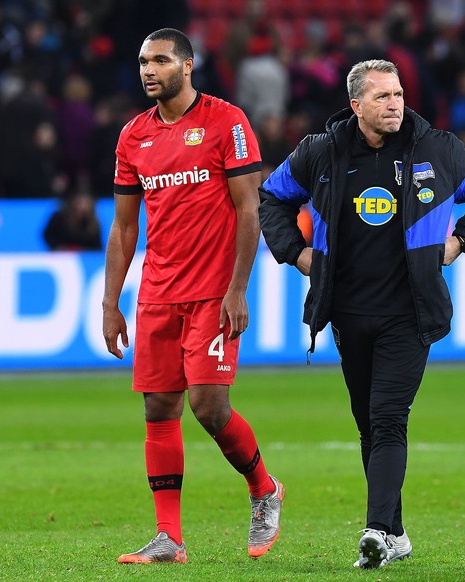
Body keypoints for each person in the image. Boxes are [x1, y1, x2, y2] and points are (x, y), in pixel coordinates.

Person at [258, 59, 465, 569]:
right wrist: (300, 256)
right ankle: (395, 533)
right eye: (382, 97)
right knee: (368, 426)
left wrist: (461, 240)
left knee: (389, 418)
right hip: (348, 312)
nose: (395, 104)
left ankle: (374, 533)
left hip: (409, 312)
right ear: (356, 106)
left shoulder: (436, 148)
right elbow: (271, 198)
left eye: (397, 94)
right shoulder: (322, 151)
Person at [101, 28, 284, 565]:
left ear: (187, 65)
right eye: (142, 62)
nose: (148, 70)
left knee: (208, 405)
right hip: (158, 292)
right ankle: (168, 539)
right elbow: (123, 228)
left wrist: (238, 288)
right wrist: (111, 302)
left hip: (213, 292)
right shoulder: (133, 136)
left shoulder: (226, 121)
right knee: (159, 408)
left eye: (160, 60)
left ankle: (263, 488)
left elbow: (249, 209)